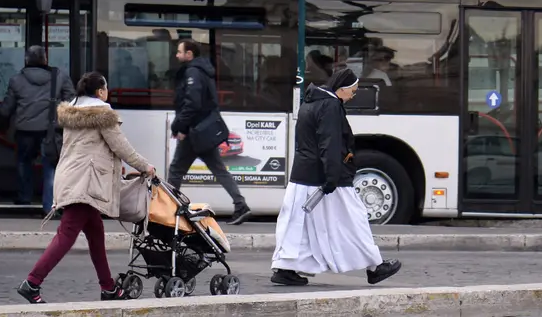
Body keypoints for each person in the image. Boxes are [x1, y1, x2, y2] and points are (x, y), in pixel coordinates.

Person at [16, 71, 155, 303]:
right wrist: (145, 166)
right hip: (85, 183)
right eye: (106, 89)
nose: (107, 92)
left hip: (73, 177)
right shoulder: (102, 113)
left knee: (96, 235)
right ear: (100, 91)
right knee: (66, 236)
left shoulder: (73, 112)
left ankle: (108, 288)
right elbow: (121, 147)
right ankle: (32, 282)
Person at [270, 67, 401, 286]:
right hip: (329, 177)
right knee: (354, 220)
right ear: (342, 89)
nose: (353, 95)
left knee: (296, 224)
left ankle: (285, 268)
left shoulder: (310, 102)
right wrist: (332, 178)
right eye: (353, 91)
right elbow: (330, 144)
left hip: (304, 175)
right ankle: (375, 267)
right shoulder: (330, 106)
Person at [168, 39, 251, 225]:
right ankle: (241, 205)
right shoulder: (203, 70)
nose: (177, 55)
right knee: (219, 169)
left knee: (176, 170)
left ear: (189, 54)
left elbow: (192, 103)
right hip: (203, 130)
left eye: (179, 52)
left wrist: (180, 126)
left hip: (193, 132)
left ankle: (169, 208)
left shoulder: (193, 72)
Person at [0, 45, 75, 212]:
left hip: (24, 130)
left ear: (26, 60)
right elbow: (71, 100)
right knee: (50, 166)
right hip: (51, 131)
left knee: (24, 162)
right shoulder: (59, 77)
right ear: (45, 59)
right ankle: (49, 206)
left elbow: (6, 108)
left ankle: (25, 197)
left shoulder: (16, 80)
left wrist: (1, 126)